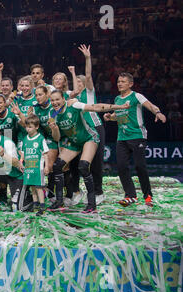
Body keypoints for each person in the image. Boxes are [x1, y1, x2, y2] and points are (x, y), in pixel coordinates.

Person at [48, 90, 130, 213]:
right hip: (74, 142)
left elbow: (95, 107)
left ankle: (92, 204)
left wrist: (119, 107)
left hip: (89, 138)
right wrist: (54, 128)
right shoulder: (52, 114)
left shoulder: (74, 105)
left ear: (63, 99)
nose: (55, 102)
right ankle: (59, 201)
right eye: (52, 100)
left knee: (83, 166)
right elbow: (57, 138)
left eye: (57, 99)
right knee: (57, 166)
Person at [103, 72, 166, 207]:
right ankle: (130, 195)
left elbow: (150, 105)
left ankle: (147, 195)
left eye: (123, 81)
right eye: (119, 81)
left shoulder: (136, 96)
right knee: (121, 167)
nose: (120, 83)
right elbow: (118, 115)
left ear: (130, 84)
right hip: (122, 137)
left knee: (140, 166)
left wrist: (158, 112)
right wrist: (110, 117)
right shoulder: (117, 99)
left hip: (137, 136)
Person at [67, 44, 106, 206]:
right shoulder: (72, 96)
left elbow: (89, 76)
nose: (78, 84)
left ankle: (98, 192)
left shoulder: (89, 92)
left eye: (80, 81)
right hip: (79, 132)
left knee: (95, 162)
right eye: (75, 82)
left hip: (95, 129)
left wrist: (87, 58)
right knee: (75, 163)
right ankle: (76, 191)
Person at [18, 115, 50, 215]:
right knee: (32, 187)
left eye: (30, 127)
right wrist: (21, 162)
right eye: (27, 127)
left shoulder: (40, 139)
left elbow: (45, 154)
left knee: (38, 187)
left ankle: (42, 206)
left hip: (38, 168)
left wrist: (46, 166)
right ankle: (35, 204)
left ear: (36, 127)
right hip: (28, 167)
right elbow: (23, 153)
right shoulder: (25, 139)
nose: (28, 129)